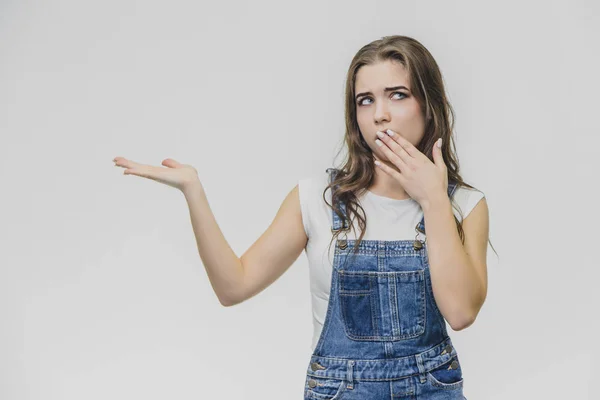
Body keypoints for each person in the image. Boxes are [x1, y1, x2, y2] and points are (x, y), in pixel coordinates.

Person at [113, 35, 493, 399]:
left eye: (397, 95)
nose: (380, 115)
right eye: (365, 100)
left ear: (428, 104)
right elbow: (233, 287)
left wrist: (433, 200)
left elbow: (460, 313)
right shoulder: (316, 200)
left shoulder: (465, 205)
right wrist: (192, 190)